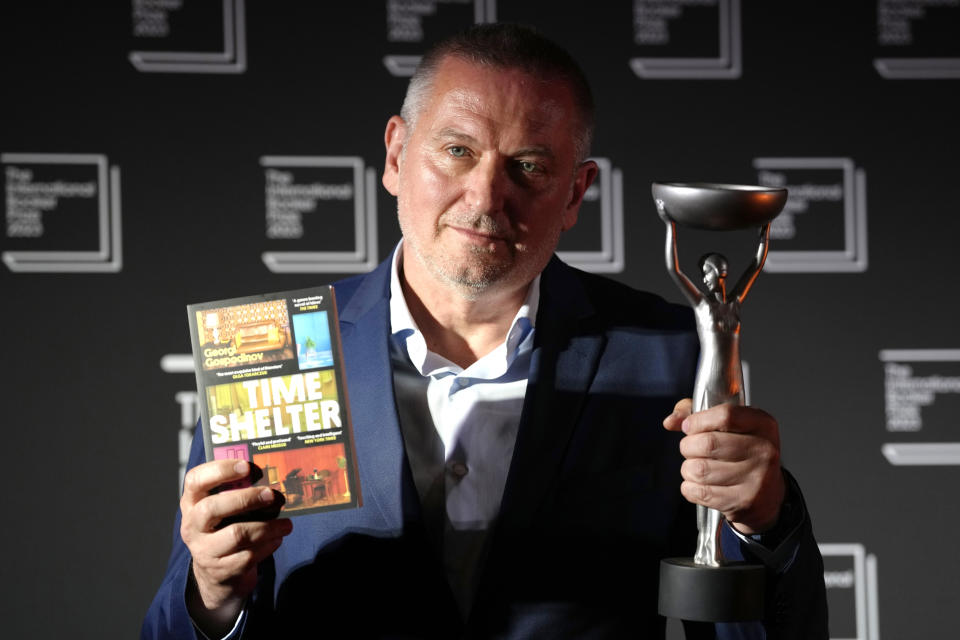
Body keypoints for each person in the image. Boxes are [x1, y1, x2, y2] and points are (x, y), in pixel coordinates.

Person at [143, 24, 827, 639]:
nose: (484, 197)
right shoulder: (273, 356)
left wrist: (760, 522)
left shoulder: (670, 354)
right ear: (395, 155)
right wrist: (212, 596)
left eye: (527, 166)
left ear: (575, 194)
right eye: (458, 150)